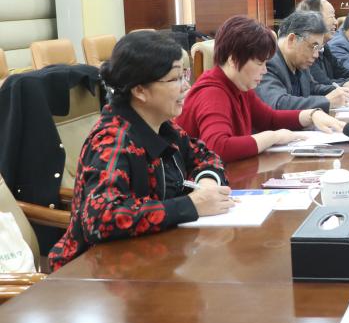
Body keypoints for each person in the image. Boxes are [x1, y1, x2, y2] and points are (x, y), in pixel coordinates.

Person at [49, 32, 235, 271]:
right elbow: (101, 217)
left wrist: (207, 183)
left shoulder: (162, 126)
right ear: (140, 91)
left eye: (184, 75)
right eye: (175, 79)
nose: (186, 86)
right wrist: (190, 205)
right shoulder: (112, 140)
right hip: (93, 272)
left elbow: (205, 155)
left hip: (151, 259)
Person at [176, 15, 345, 162]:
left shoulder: (239, 85)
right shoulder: (212, 93)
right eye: (259, 63)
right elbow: (218, 147)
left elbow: (269, 119)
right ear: (233, 60)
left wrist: (311, 115)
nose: (264, 70)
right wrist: (274, 137)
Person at [256, 10, 349, 112]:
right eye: (313, 47)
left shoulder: (298, 61)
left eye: (319, 48)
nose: (316, 55)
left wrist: (342, 88)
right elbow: (278, 103)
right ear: (292, 40)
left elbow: (313, 88)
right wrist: (327, 101)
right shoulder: (267, 63)